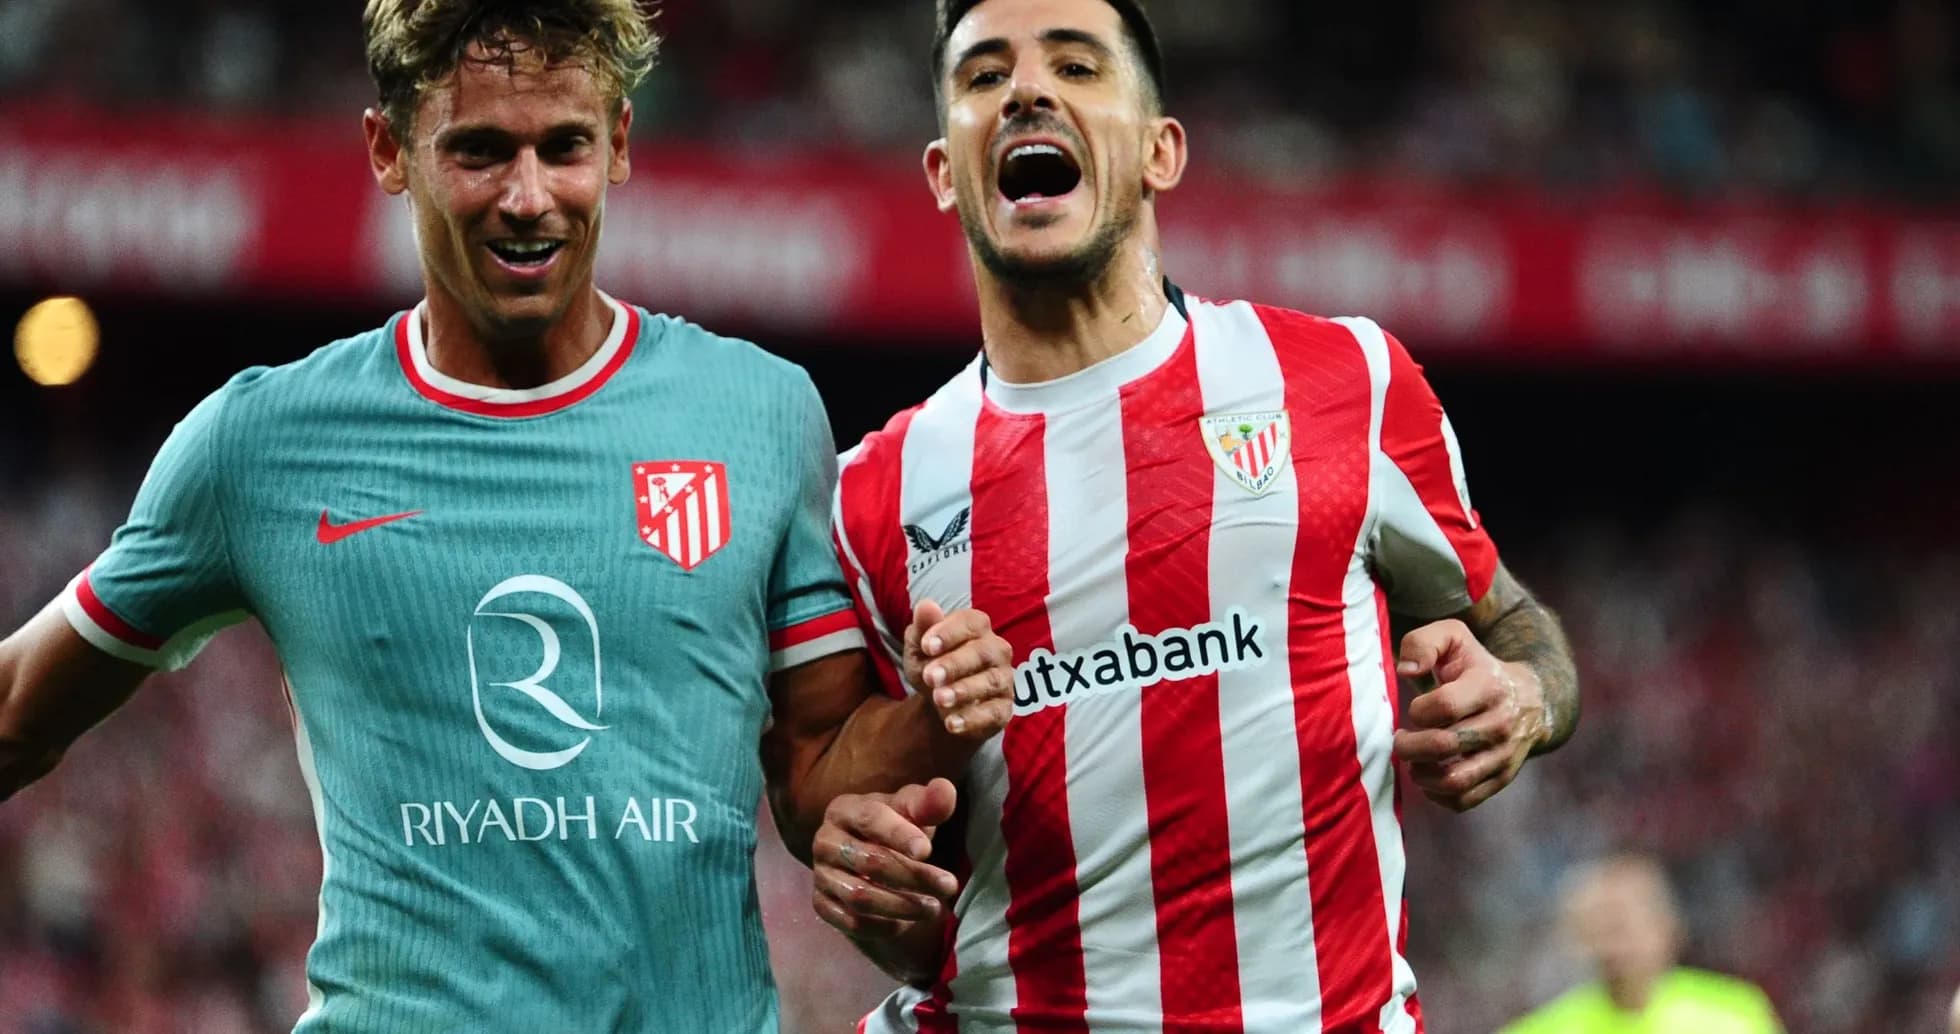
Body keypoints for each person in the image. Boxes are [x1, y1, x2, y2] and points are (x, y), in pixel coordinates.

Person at [0, 2, 1016, 1031]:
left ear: (618, 141)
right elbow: (17, 711)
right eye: (480, 152)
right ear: (389, 150)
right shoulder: (259, 443)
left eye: (563, 147)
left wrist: (932, 712)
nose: (528, 198)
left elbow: (812, 779)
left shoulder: (760, 414)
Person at [809, 0, 1582, 1029]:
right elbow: (867, 842)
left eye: (1077, 67)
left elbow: (1517, 629)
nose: (1027, 90)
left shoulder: (1345, 381)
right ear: (946, 171)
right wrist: (867, 884)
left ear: (1162, 152)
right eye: (984, 76)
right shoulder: (874, 491)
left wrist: (1522, 695)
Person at [1501, 855, 1782, 1034]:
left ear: (1667, 926)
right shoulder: (1543, 1029)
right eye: (1601, 926)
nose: (1615, 943)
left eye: (1624, 924)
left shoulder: (1734, 1016)